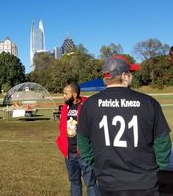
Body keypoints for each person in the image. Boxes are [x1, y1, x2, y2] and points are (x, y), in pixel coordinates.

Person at [78, 55, 172, 195]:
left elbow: (83, 145)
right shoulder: (148, 102)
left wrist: (98, 165)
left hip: (108, 183)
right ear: (124, 75)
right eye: (130, 73)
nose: (132, 76)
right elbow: (163, 143)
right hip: (145, 183)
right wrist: (158, 168)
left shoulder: (89, 105)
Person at [56, 82, 99, 196]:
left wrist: (89, 149)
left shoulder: (87, 106)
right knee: (74, 182)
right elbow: (62, 128)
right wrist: (62, 146)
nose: (64, 96)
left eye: (66, 94)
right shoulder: (65, 108)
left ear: (74, 95)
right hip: (69, 155)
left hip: (85, 154)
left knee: (91, 183)